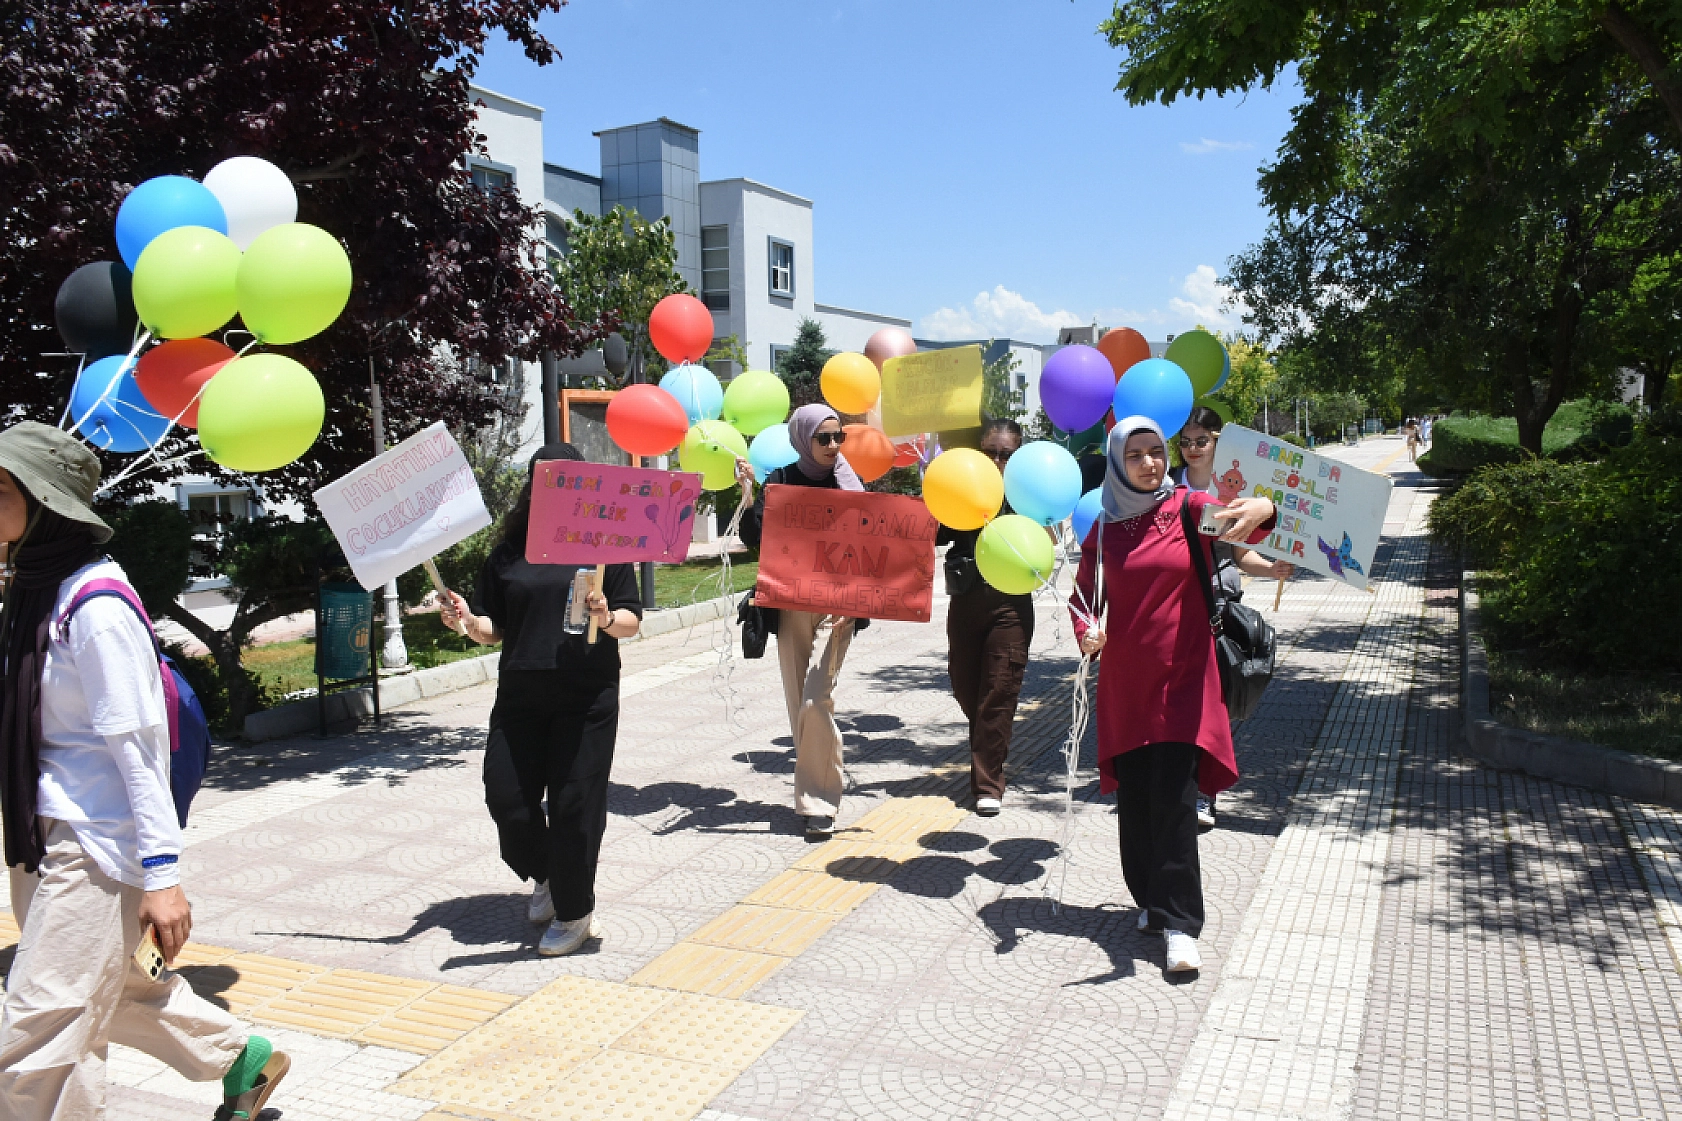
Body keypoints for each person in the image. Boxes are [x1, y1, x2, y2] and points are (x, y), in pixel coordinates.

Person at [0, 422, 288, 1120]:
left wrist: (162, 876)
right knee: (106, 985)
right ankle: (240, 1057)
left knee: (40, 1032)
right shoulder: (33, 587)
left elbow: (140, 750)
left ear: (44, 504)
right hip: (40, 830)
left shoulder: (95, 605)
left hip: (95, 840)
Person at [1071, 417, 1276, 974]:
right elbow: (1084, 596)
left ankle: (1182, 924)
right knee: (1136, 802)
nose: (1149, 463)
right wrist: (1087, 631)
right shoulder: (1106, 529)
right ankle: (1150, 900)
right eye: (1135, 455)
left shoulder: (1189, 508)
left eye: (1156, 452)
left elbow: (1245, 525)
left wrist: (1266, 509)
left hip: (1185, 680)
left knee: (1176, 801)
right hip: (1127, 686)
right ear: (1117, 463)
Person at [439, 442, 643, 957]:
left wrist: (604, 617)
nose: (555, 490)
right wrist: (467, 622)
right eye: (546, 480)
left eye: (567, 480)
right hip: (521, 696)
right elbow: (494, 627)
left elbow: (631, 621)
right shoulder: (510, 552)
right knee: (506, 798)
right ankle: (548, 873)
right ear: (533, 486)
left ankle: (575, 912)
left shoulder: (605, 543)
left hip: (586, 696)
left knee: (575, 806)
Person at [736, 404, 867, 837]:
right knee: (799, 702)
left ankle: (819, 803)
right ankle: (818, 782)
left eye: (838, 437)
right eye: (823, 438)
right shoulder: (782, 480)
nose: (833, 445)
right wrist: (749, 494)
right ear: (802, 439)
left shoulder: (850, 484)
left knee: (815, 696)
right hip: (791, 602)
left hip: (838, 605)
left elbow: (873, 540)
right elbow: (757, 539)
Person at [1172, 406, 1294, 827]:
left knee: (1212, 707)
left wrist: (1272, 569)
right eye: (1185, 442)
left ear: (1217, 441)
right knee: (1175, 705)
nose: (1192, 449)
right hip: (1173, 611)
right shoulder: (1166, 484)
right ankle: (1174, 788)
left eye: (1201, 441)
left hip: (1216, 611)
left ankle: (1204, 794)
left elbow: (1242, 555)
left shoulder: (1232, 489)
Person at [938, 418, 1038, 816]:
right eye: (990, 452)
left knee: (999, 691)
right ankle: (989, 741)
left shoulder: (1028, 496)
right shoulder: (965, 487)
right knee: (967, 688)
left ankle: (988, 784)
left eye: (1005, 454)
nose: (996, 461)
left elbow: (1046, 539)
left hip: (1010, 606)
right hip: (966, 601)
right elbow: (935, 532)